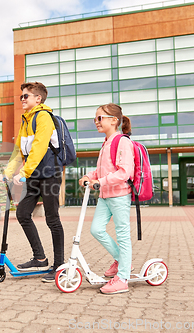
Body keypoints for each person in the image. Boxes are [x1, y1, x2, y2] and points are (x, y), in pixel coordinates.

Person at [0, 82, 65, 282]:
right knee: (23, 213)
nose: (22, 100)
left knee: (52, 219)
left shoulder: (43, 117)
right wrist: (8, 172)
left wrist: (24, 172)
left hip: (49, 173)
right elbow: (19, 150)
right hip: (34, 175)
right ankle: (40, 258)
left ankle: (59, 265)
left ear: (38, 99)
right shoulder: (26, 121)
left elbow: (39, 147)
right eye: (21, 96)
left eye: (26, 96)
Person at [78, 103, 134, 295]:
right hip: (105, 195)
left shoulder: (123, 142)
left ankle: (123, 278)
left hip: (119, 196)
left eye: (100, 118)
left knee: (123, 235)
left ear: (114, 120)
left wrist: (99, 181)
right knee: (96, 229)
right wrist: (89, 176)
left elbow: (125, 172)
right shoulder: (106, 143)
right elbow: (102, 169)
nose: (96, 122)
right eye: (95, 118)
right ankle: (121, 260)